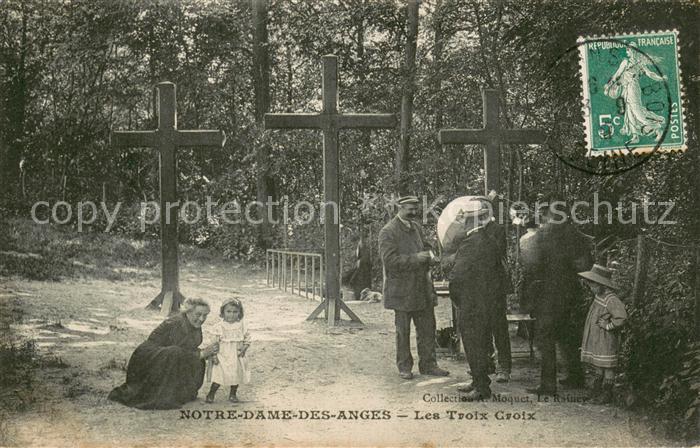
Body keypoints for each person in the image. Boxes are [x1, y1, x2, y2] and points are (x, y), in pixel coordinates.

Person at [521, 203, 593, 396]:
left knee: (545, 337)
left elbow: (531, 263)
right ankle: (576, 376)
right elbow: (585, 264)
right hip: (571, 293)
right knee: (568, 335)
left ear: (549, 215)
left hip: (548, 294)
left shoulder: (543, 235)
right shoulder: (576, 235)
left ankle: (548, 384)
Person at [441, 197, 509, 400]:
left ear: (469, 221)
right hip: (486, 300)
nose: (461, 223)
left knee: (473, 343)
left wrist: (458, 297)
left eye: (463, 219)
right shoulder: (487, 240)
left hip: (472, 302)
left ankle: (481, 387)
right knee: (480, 342)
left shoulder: (470, 243)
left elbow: (457, 276)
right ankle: (478, 381)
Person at [379, 195, 449, 380]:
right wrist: (416, 258)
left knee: (427, 329)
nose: (414, 212)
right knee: (403, 332)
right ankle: (404, 367)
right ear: (400, 208)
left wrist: (431, 256)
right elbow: (390, 261)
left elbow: (426, 246)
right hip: (402, 291)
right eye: (410, 209)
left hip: (422, 289)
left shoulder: (417, 227)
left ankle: (429, 365)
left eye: (416, 209)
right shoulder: (388, 231)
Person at [108, 298, 218, 410]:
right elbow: (179, 352)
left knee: (196, 358)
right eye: (198, 314)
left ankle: (180, 393)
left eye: (205, 315)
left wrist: (206, 353)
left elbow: (188, 348)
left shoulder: (194, 323)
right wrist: (201, 354)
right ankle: (161, 395)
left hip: (167, 356)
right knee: (176, 352)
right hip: (149, 358)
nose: (202, 319)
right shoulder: (177, 323)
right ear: (188, 311)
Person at [578, 264, 627, 404]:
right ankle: (596, 391)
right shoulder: (599, 296)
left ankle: (606, 394)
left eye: (593, 285)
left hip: (606, 338)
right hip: (597, 338)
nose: (590, 288)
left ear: (602, 284)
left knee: (608, 366)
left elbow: (621, 317)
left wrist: (607, 325)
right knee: (598, 365)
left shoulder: (611, 299)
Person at [604, 43, 666, 144]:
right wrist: (609, 85)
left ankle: (657, 127)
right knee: (629, 112)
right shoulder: (625, 62)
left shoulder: (640, 63)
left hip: (633, 88)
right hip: (625, 88)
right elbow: (617, 75)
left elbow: (650, 73)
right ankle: (635, 136)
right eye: (627, 50)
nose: (627, 52)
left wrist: (661, 78)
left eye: (629, 50)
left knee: (638, 113)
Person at [205, 298, 251, 403]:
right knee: (219, 376)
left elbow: (247, 339)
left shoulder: (242, 326)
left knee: (236, 375)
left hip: (236, 355)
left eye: (235, 312)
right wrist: (214, 356)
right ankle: (211, 394)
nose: (232, 315)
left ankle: (233, 394)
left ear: (239, 313)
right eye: (228, 311)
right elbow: (214, 343)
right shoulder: (219, 326)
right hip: (223, 356)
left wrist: (244, 348)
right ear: (223, 312)